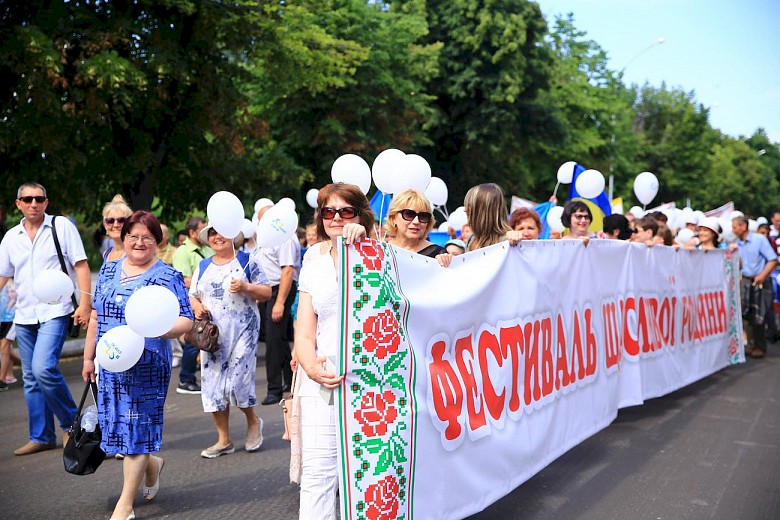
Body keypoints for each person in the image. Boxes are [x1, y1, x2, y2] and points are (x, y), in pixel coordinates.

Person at [82, 210, 193, 520]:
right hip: (111, 362)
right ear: (123, 238)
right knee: (117, 432)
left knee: (137, 433)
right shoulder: (107, 269)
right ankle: (152, 464)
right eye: (133, 236)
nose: (139, 242)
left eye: (147, 236)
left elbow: (187, 318)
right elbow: (95, 316)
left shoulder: (166, 275)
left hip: (147, 367)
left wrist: (163, 328)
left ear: (156, 241)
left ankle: (125, 504)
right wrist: (89, 357)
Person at [294, 182, 371, 519]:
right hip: (323, 379)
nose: (337, 217)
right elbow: (305, 329)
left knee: (367, 475)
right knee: (318, 474)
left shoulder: (379, 253)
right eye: (329, 211)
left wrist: (363, 244)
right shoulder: (313, 256)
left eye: (346, 211)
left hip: (373, 383)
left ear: (360, 214)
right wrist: (311, 367)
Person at [0, 182, 92, 455]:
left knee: (43, 369)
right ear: (18, 204)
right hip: (24, 314)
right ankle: (41, 435)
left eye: (38, 199)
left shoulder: (61, 227)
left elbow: (81, 265)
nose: (33, 204)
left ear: (46, 202)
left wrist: (85, 303)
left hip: (56, 310)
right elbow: (4, 274)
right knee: (30, 377)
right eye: (27, 199)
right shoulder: (10, 237)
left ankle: (72, 425)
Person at [188, 224, 272, 458]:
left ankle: (253, 421)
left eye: (222, 232)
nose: (217, 237)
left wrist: (246, 287)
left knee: (237, 382)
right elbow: (193, 295)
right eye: (212, 233)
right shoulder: (203, 266)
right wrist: (197, 307)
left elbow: (266, 293)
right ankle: (224, 440)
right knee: (213, 386)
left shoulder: (247, 260)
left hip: (243, 329)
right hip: (213, 334)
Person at [256, 204, 301, 405]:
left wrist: (280, 303)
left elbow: (288, 271)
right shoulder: (265, 237)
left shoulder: (284, 235)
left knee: (274, 341)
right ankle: (289, 380)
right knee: (277, 339)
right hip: (266, 290)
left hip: (280, 290)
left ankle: (274, 389)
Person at [171, 216, 213, 395]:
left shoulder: (208, 249)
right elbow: (182, 279)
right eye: (201, 230)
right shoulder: (182, 252)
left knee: (209, 339)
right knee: (194, 340)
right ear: (192, 232)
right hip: (191, 300)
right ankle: (185, 379)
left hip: (209, 301)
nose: (205, 234)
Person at [437, 183, 522, 267]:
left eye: (470, 205)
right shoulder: (472, 239)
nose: (465, 210)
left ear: (482, 212)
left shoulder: (507, 241)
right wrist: (446, 260)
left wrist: (515, 238)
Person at [732, 216, 777, 359]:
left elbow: (772, 260)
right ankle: (751, 345)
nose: (733, 230)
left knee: (759, 314)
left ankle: (760, 345)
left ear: (743, 226)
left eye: (735, 227)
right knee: (746, 314)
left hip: (760, 280)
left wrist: (762, 275)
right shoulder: (737, 243)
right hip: (745, 280)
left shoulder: (759, 240)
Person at [385, 189, 445, 257]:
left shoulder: (439, 255)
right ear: (393, 218)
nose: (416, 222)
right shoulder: (381, 251)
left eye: (423, 216)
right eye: (409, 214)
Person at [101, 195, 133, 262]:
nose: (115, 225)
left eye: (121, 220)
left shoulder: (135, 253)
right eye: (110, 220)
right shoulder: (106, 254)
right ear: (105, 225)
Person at [0, 281, 19, 387]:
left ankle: (2, 380)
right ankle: (30, 367)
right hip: (2, 318)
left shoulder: (15, 279)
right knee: (6, 350)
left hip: (13, 318)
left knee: (4, 347)